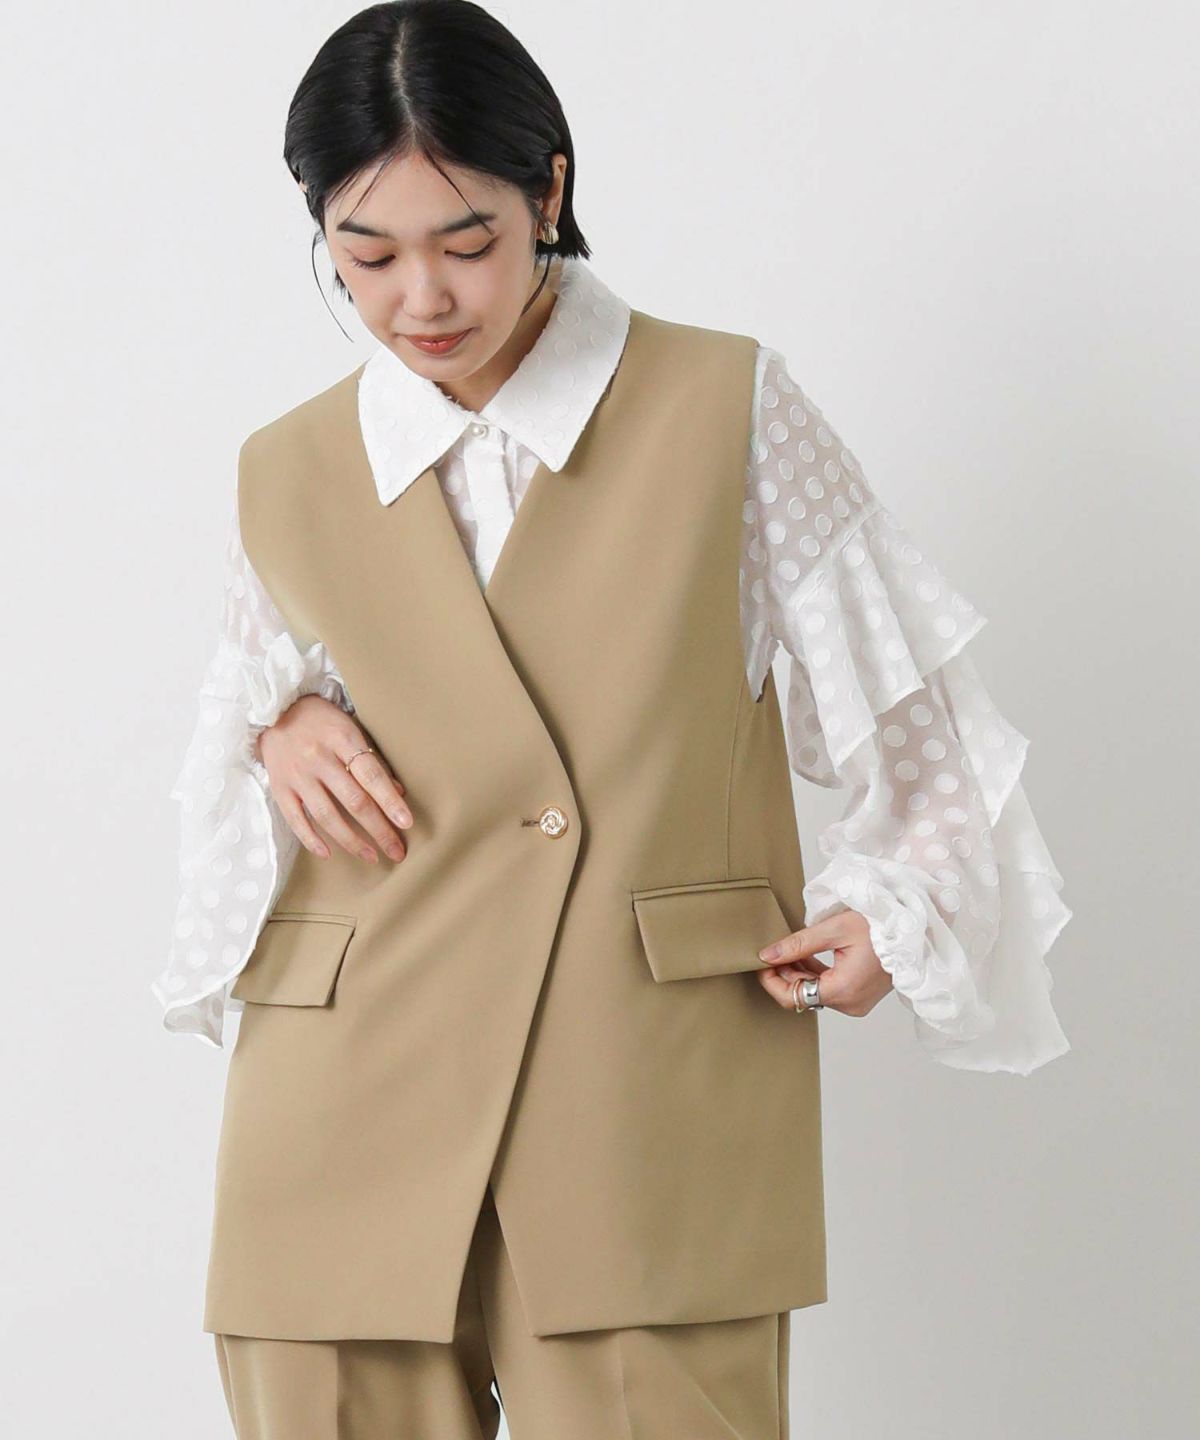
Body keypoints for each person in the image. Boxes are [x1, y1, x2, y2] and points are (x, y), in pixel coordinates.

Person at [151, 2, 1072, 1435]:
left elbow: (926, 723)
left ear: (550, 191)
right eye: (366, 255)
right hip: (342, 1096)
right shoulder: (286, 467)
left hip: (643, 1085)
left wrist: (898, 911)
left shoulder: (727, 405)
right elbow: (234, 750)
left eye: (466, 241)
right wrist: (276, 732)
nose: (421, 299)